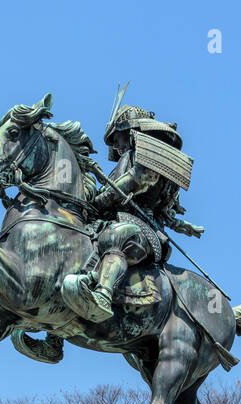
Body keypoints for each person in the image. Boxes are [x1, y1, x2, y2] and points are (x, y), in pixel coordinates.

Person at [61, 87, 202, 323]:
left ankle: (104, 295)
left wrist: (101, 198)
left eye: (117, 139)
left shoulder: (151, 159)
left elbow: (138, 181)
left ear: (131, 132)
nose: (116, 146)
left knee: (117, 236)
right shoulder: (126, 159)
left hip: (142, 228)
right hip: (112, 220)